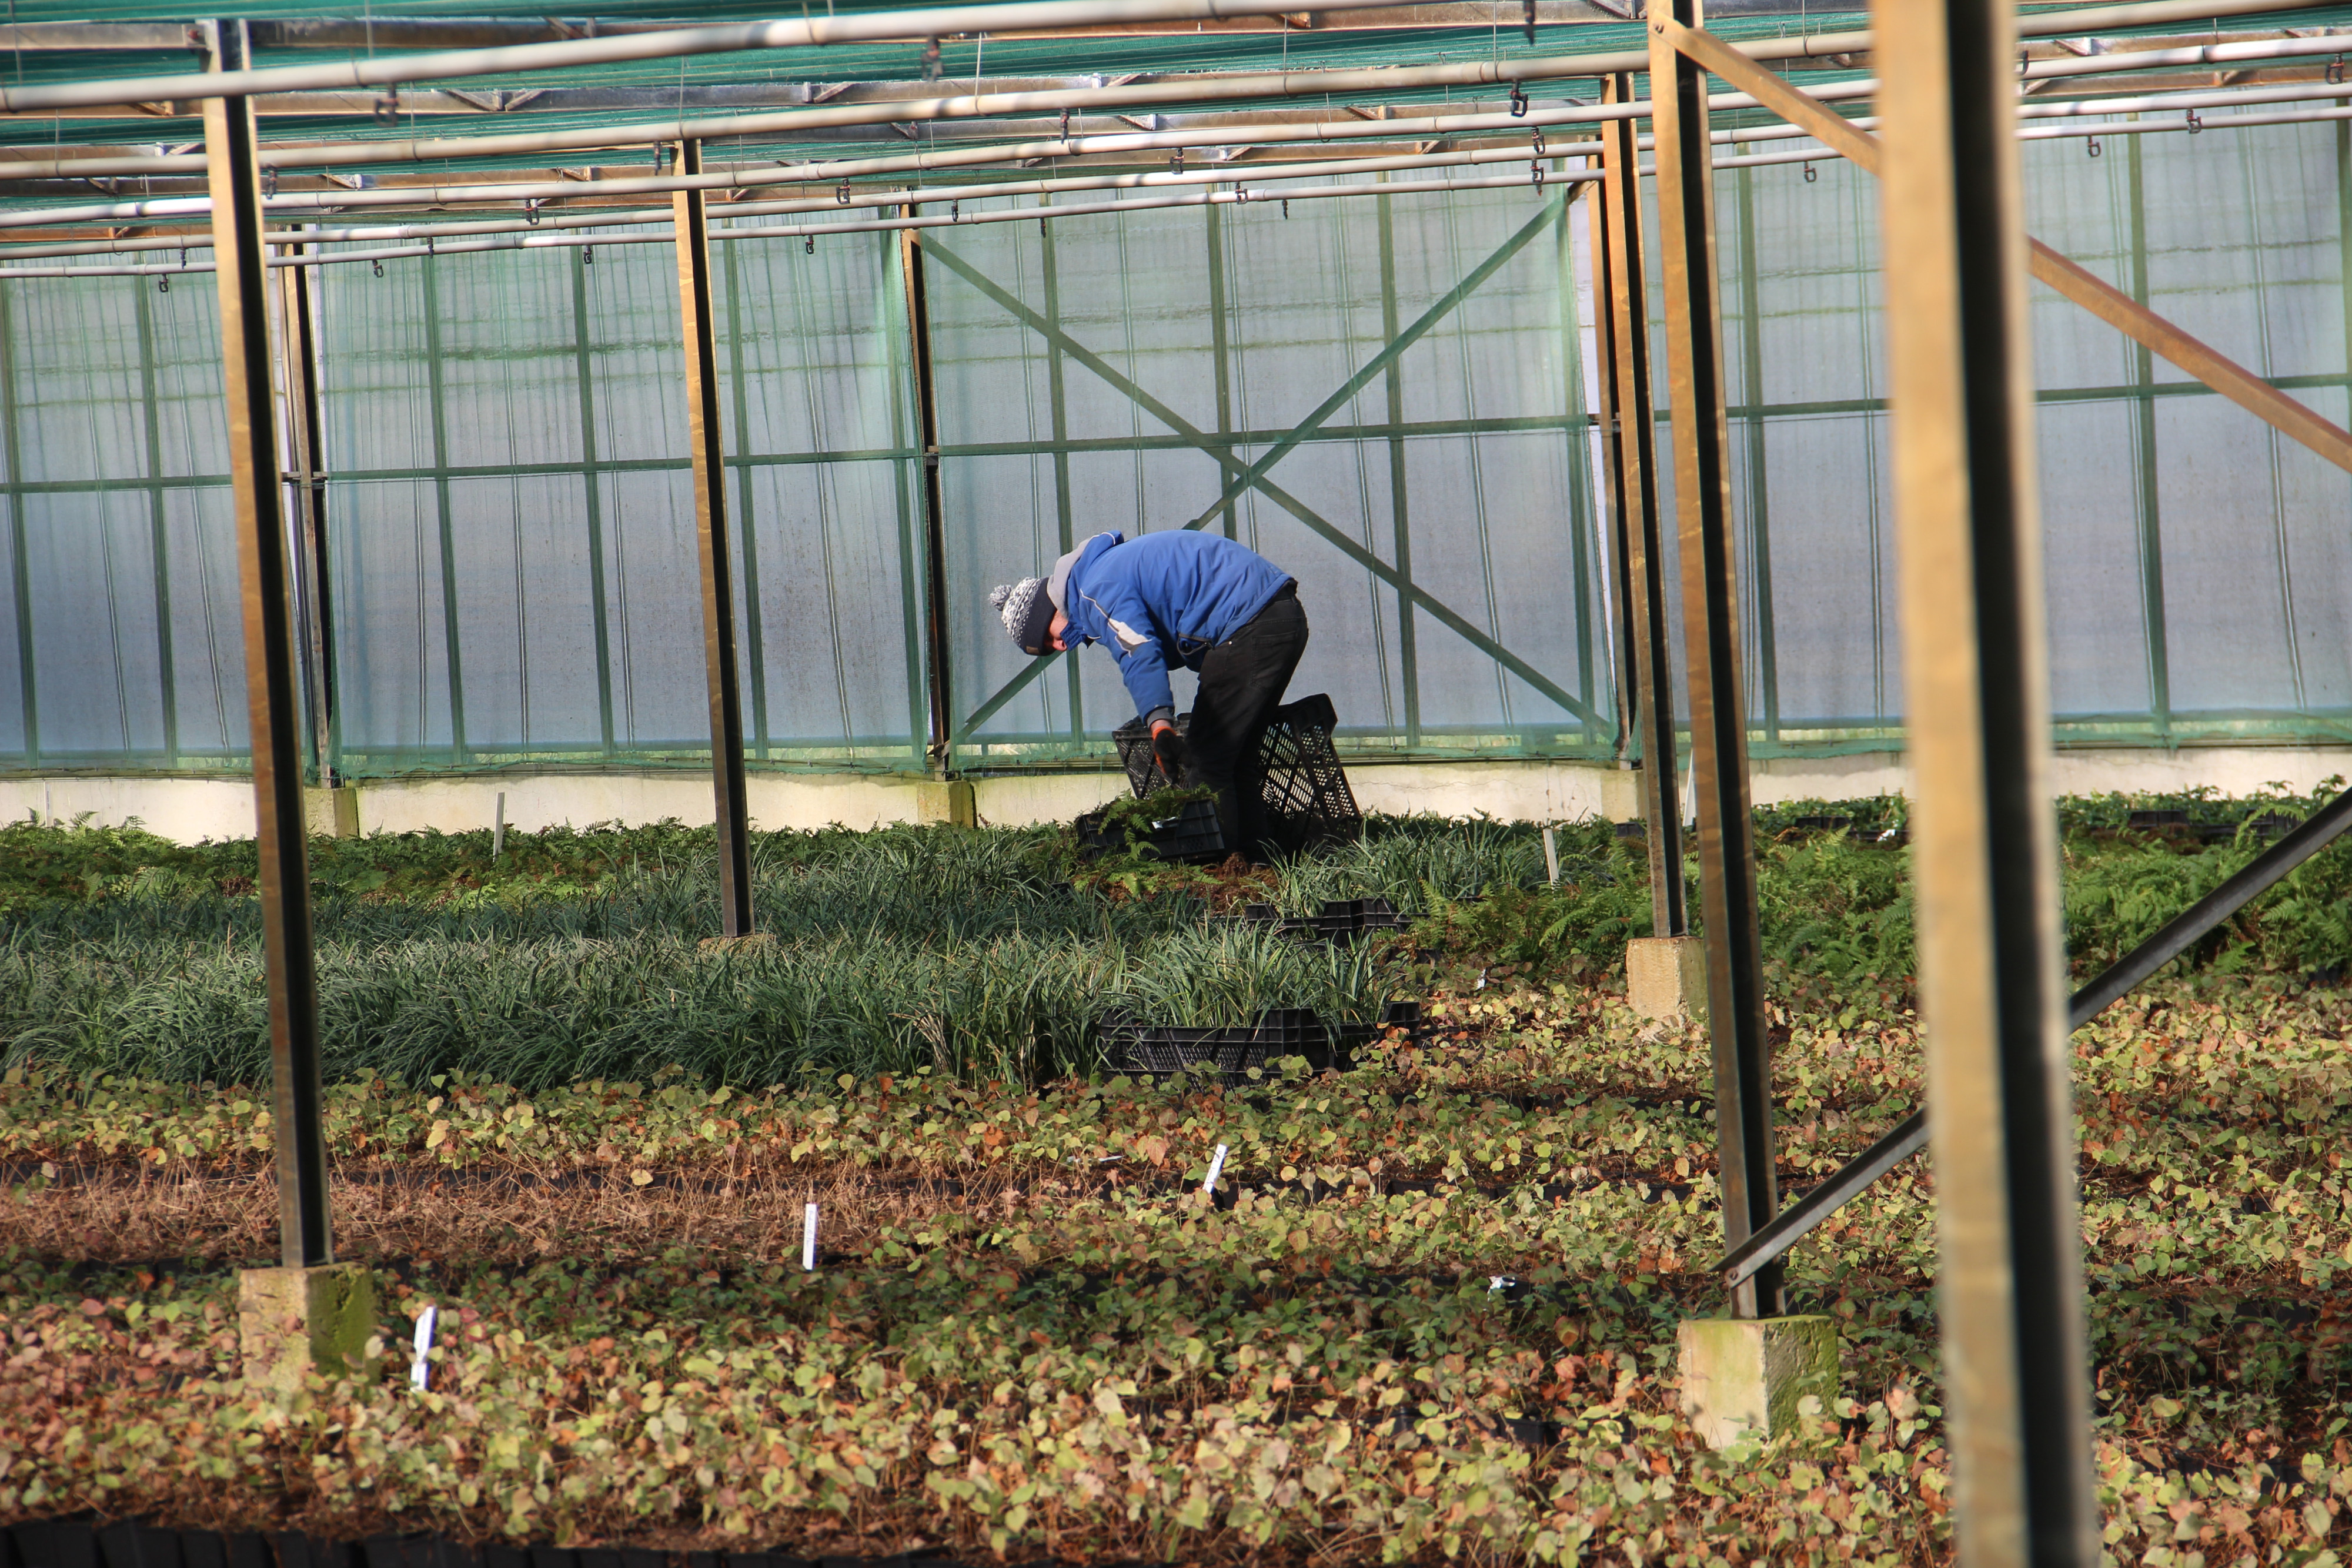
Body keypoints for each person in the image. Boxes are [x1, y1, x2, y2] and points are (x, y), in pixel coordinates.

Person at [990, 530, 1308, 850]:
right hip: (1280, 613)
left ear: (1049, 611)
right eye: (1048, 649)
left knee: (1206, 756)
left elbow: (1138, 650)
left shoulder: (1095, 589)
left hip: (1248, 621)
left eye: (1048, 637)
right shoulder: (1102, 570)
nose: (1059, 646)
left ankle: (1220, 870)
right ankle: (1257, 861)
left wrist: (1159, 724)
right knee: (1234, 756)